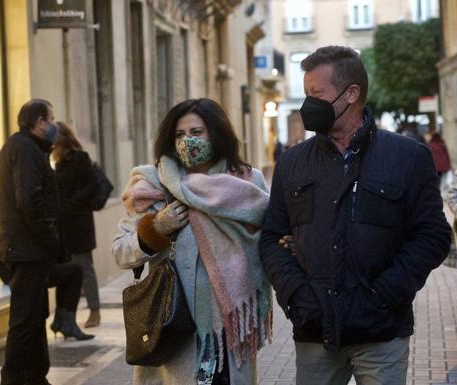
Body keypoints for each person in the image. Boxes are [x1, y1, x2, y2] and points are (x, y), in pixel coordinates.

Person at [259, 46, 451, 385]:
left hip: (382, 332)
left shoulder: (408, 157)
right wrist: (298, 298)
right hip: (315, 332)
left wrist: (385, 294)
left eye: (317, 94)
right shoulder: (291, 163)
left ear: (351, 94)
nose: (308, 104)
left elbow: (432, 236)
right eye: (306, 94)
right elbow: (273, 239)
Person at [113, 98, 272, 385]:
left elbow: (270, 245)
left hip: (230, 331)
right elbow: (121, 253)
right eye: (180, 134)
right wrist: (156, 229)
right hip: (175, 330)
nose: (188, 141)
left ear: (217, 133)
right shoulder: (153, 187)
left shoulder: (247, 184)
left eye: (196, 133)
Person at [0, 99, 60, 385]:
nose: (54, 124)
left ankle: (35, 377)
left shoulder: (28, 148)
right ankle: (13, 379)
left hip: (28, 250)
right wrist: (51, 237)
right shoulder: (24, 149)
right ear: (39, 122)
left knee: (35, 317)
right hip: (25, 250)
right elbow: (29, 201)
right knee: (24, 321)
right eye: (51, 118)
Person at [52, 121, 102, 328]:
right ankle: (63, 316)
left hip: (79, 224)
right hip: (63, 226)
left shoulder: (79, 158)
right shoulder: (59, 162)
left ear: (62, 139)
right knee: (66, 269)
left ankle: (95, 311)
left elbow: (92, 186)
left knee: (84, 267)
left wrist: (70, 205)